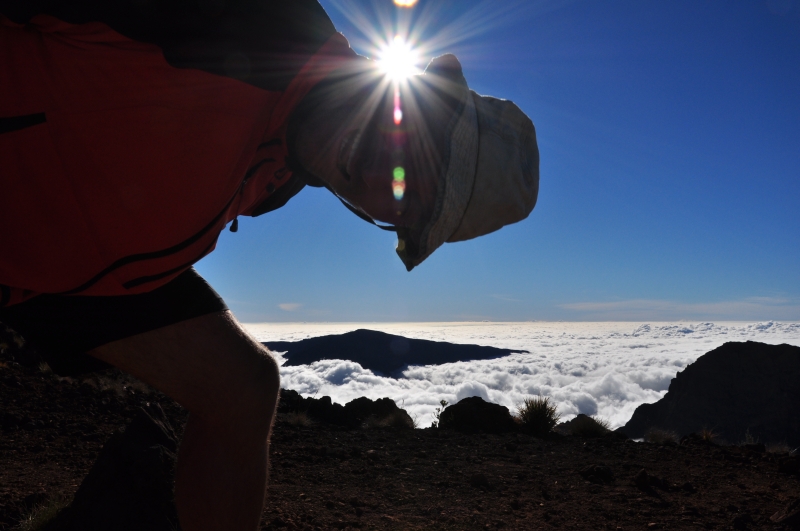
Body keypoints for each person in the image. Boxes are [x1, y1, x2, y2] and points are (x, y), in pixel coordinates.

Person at [0, 1, 539, 529]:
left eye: (409, 206)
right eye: (423, 146)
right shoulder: (257, 20)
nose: (385, 175)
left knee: (244, 388)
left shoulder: (281, 176)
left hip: (50, 276)